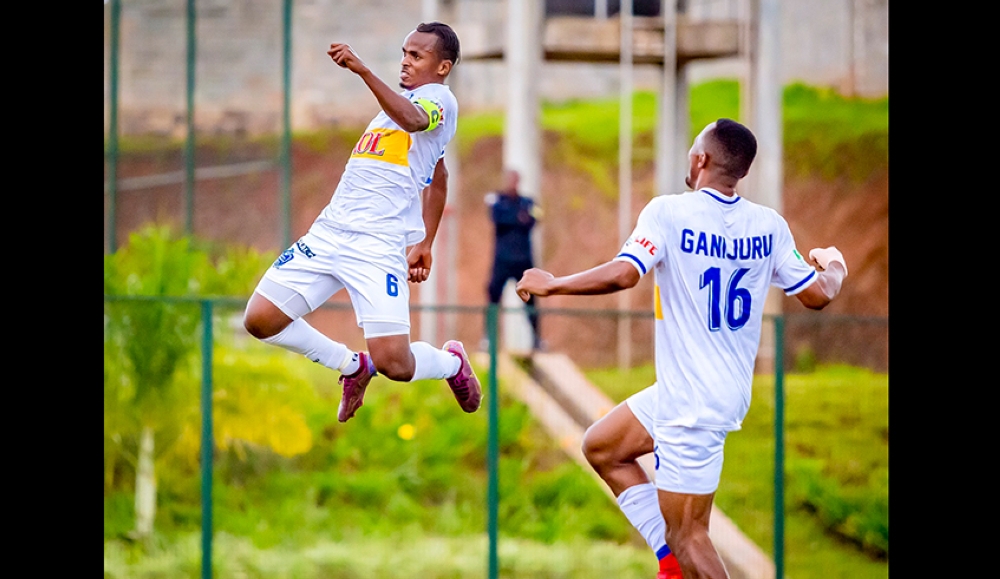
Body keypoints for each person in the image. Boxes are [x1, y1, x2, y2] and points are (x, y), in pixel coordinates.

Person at [516, 119, 847, 579]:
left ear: (701, 159)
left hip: (692, 404)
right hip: (693, 390)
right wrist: (835, 265)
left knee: (690, 535)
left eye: (693, 148)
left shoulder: (669, 213)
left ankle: (675, 556)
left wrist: (554, 284)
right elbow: (818, 293)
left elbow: (624, 273)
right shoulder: (768, 226)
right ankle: (670, 563)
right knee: (603, 447)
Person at [243, 22, 482, 424]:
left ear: (442, 67)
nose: (405, 62)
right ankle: (352, 366)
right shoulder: (396, 105)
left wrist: (363, 70)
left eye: (416, 56)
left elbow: (412, 120)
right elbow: (438, 175)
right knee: (260, 320)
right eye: (404, 53)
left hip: (376, 245)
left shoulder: (439, 100)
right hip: (329, 233)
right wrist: (425, 241)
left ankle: (450, 363)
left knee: (397, 365)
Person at [483, 169, 543, 350]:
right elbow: (498, 217)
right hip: (501, 260)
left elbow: (535, 218)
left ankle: (537, 340)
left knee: (531, 300)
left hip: (523, 260)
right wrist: (518, 218)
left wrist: (515, 217)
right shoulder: (497, 200)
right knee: (493, 297)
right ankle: (488, 339)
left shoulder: (528, 201)